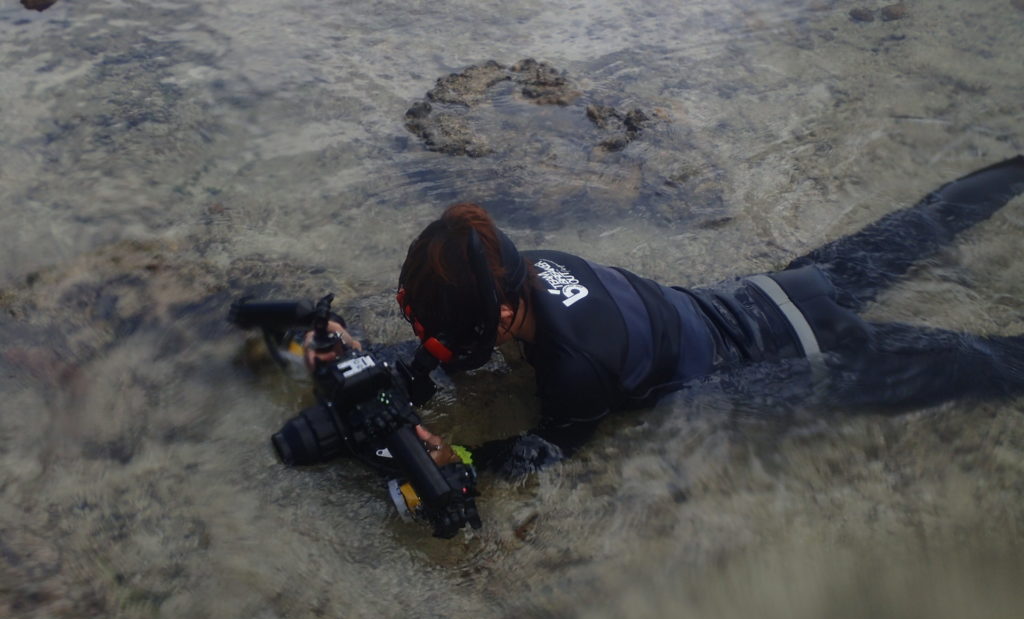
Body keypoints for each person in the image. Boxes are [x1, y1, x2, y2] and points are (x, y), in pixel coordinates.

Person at [319, 156, 1024, 477]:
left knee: (982, 365)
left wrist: (465, 457)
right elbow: (456, 344)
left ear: (502, 316)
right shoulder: (522, 262)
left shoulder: (576, 367)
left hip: (799, 355)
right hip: (779, 290)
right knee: (925, 222)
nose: (435, 346)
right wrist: (371, 357)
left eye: (441, 335)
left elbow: (552, 449)